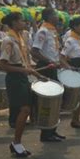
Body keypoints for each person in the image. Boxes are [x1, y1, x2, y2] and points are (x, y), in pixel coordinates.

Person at [0, 12, 43, 156]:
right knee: (24, 109)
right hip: (15, 78)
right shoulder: (8, 40)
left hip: (23, 76)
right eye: (21, 21)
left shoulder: (21, 37)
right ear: (14, 23)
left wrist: (32, 70)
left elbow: (25, 59)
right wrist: (25, 70)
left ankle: (17, 142)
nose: (24, 23)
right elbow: (3, 66)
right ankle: (16, 142)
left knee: (26, 110)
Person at [31, 8, 70, 142]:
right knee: (47, 102)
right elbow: (34, 51)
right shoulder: (43, 31)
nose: (57, 16)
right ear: (48, 17)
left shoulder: (52, 31)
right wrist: (50, 61)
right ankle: (46, 133)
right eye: (54, 14)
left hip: (53, 67)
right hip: (46, 68)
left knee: (56, 101)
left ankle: (52, 129)